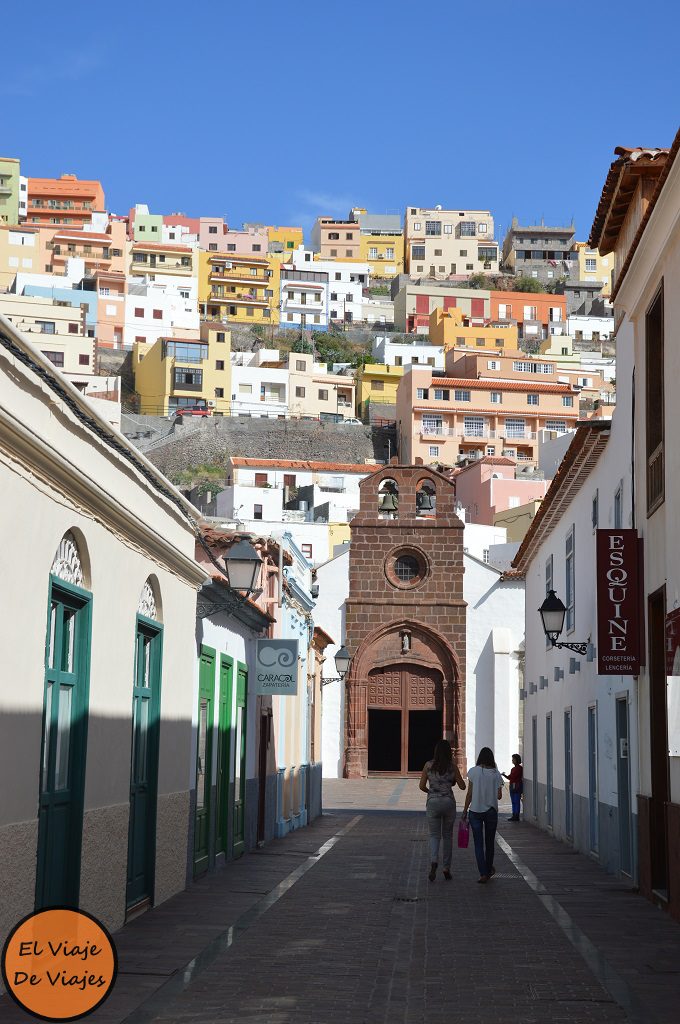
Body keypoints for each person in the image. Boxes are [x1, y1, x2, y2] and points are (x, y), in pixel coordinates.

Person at [419, 739, 466, 882]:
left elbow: (421, 786)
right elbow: (463, 786)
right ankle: (446, 867)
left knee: (434, 835)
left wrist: (431, 792)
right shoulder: (452, 766)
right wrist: (452, 782)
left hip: (433, 801)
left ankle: (434, 861)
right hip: (448, 802)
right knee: (447, 836)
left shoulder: (428, 765)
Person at [462, 747, 504, 883]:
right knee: (490, 842)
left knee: (478, 843)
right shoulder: (496, 774)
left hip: (475, 811)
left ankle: (483, 873)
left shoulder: (473, 772)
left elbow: (469, 794)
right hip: (491, 812)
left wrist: (464, 811)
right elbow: (499, 796)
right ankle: (488, 868)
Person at [502, 754, 523, 821]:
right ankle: (514, 814)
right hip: (512, 785)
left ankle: (516, 815)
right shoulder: (513, 769)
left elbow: (513, 777)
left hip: (517, 785)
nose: (512, 760)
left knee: (516, 800)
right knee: (513, 801)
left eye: (513, 759)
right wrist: (504, 775)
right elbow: (510, 777)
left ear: (517, 760)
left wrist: (507, 776)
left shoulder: (519, 768)